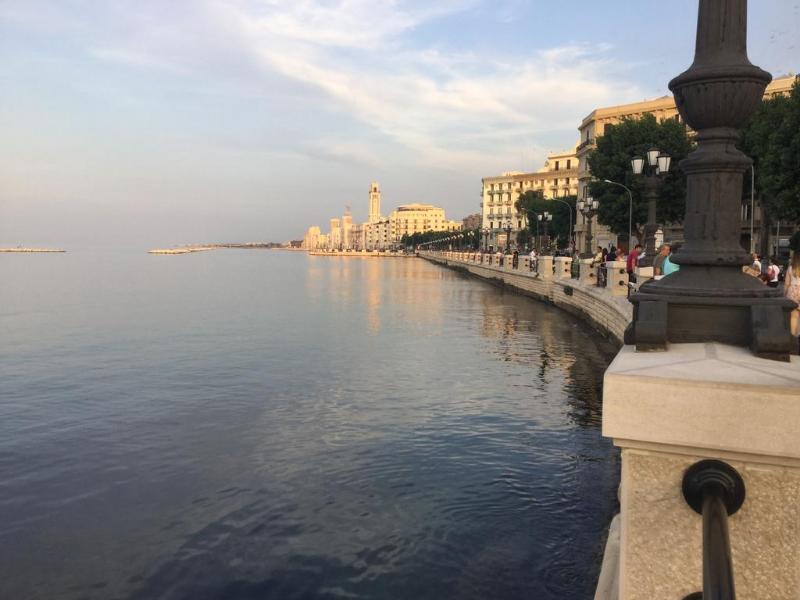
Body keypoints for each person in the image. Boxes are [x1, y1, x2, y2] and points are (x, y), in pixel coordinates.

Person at [784, 253, 800, 348]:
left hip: (792, 291)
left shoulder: (790, 268)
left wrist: (785, 294)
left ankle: (793, 339)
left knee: (794, 317)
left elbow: (786, 284)